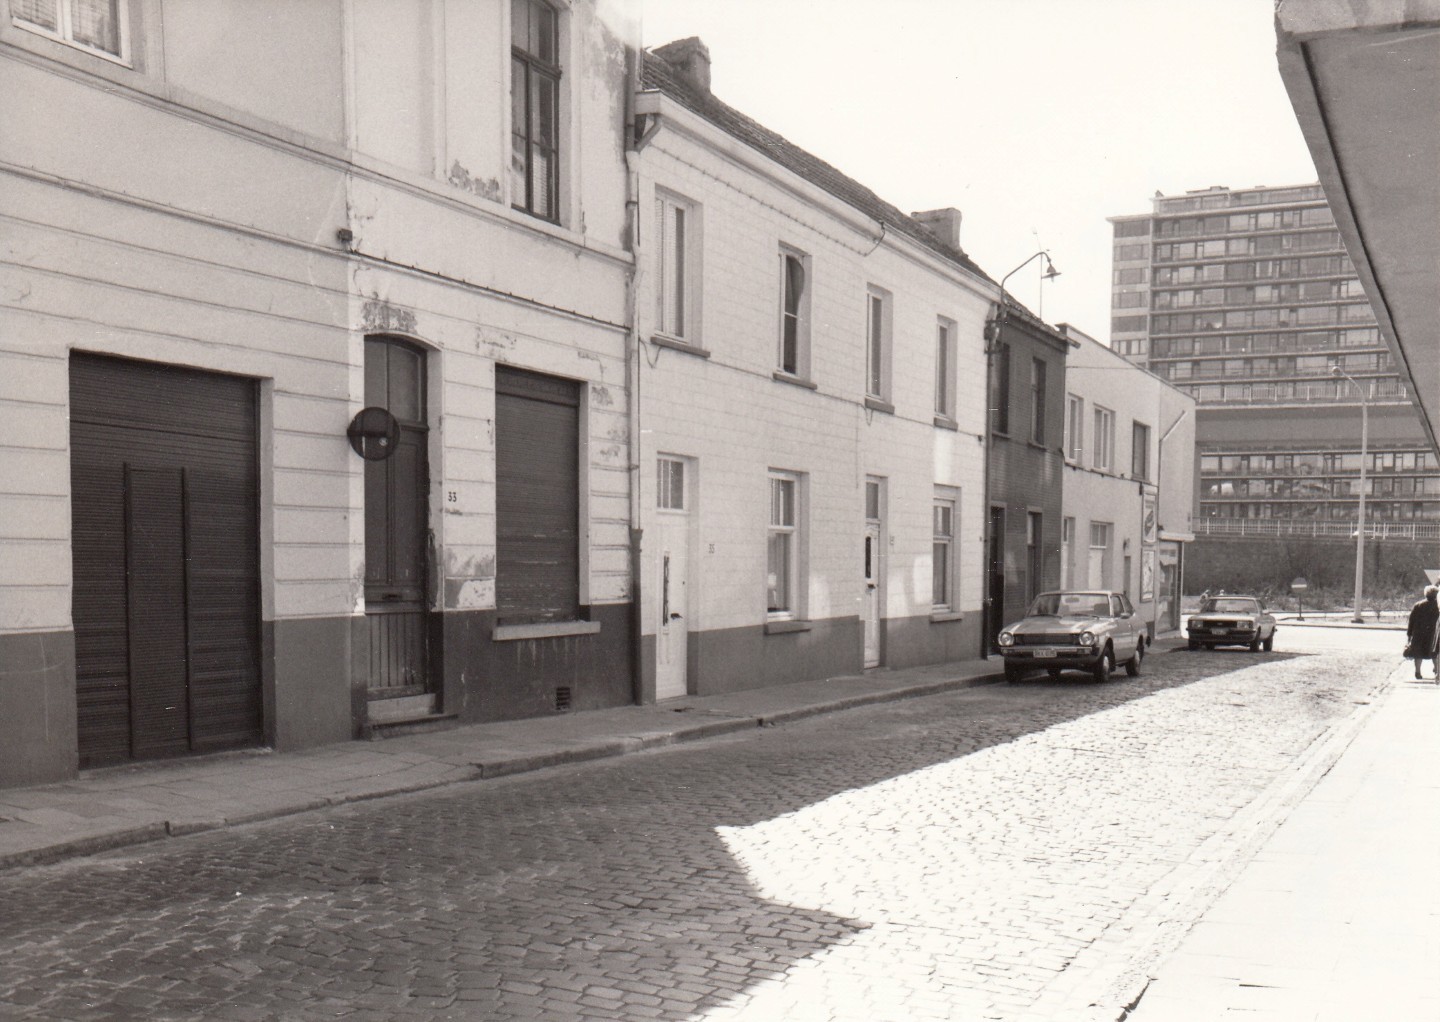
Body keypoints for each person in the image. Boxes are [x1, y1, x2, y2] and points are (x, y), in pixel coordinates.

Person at [1405, 585, 1440, 680]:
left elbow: (1411, 621)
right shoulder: (1438, 606)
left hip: (1419, 633)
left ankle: (1418, 672)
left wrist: (1409, 635)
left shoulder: (1418, 605)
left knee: (1418, 653)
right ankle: (1437, 670)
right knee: (1435, 652)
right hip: (1434, 633)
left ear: (1426, 594)